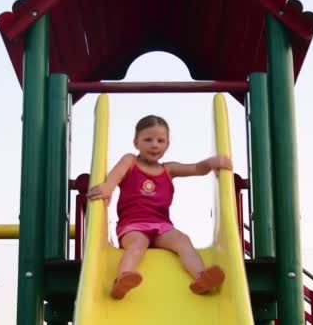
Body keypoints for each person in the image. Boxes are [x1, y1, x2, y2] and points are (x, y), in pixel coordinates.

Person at [86, 115, 232, 299]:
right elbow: (115, 177)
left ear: (167, 145)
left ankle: (201, 277)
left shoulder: (168, 170)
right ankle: (122, 279)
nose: (154, 145)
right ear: (136, 142)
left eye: (160, 140)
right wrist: (107, 188)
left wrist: (211, 163)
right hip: (133, 225)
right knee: (137, 245)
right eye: (148, 139)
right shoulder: (130, 161)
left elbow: (196, 169)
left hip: (162, 226)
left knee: (183, 241)